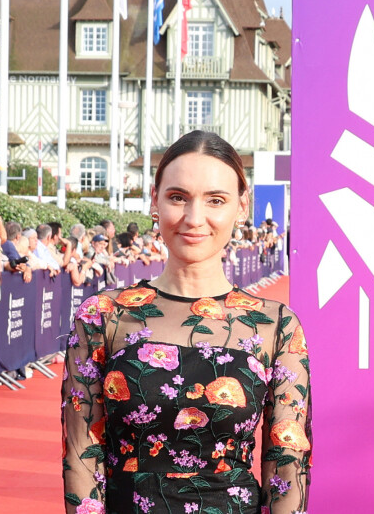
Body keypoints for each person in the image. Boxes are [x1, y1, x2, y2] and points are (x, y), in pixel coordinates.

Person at [61, 131, 312, 513]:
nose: (194, 219)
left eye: (215, 200)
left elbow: (287, 464)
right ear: (155, 202)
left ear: (241, 206)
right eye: (178, 197)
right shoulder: (103, 316)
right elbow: (81, 451)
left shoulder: (276, 326)